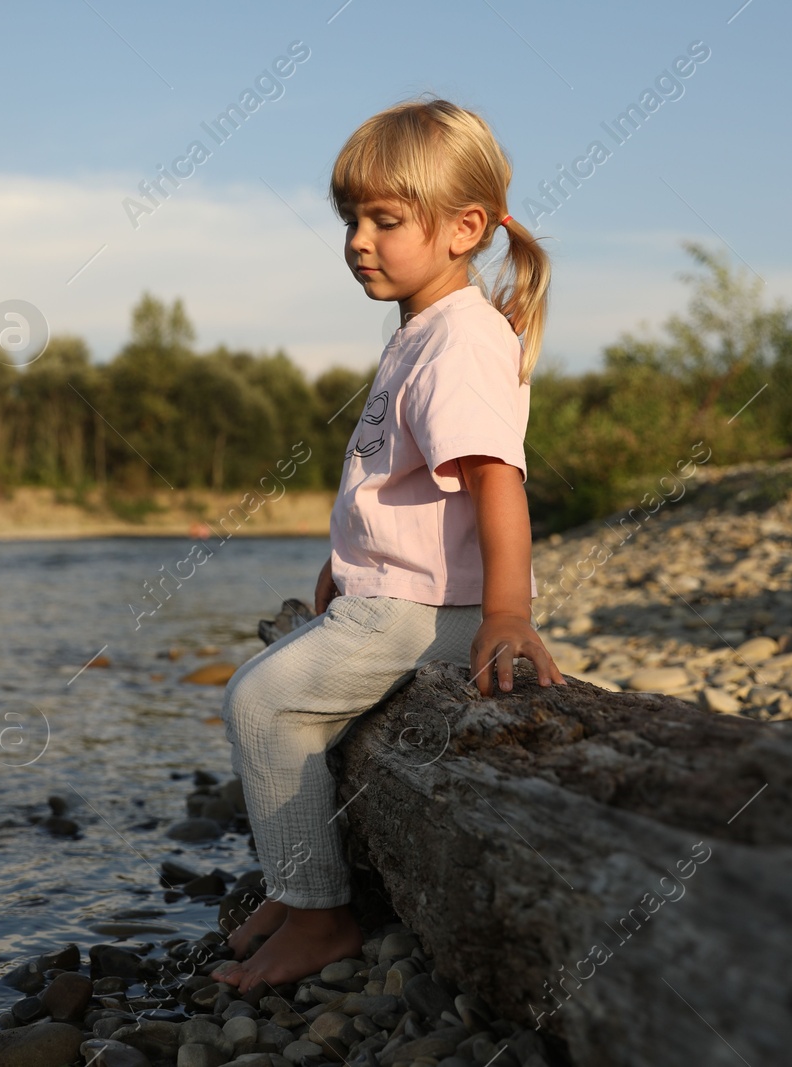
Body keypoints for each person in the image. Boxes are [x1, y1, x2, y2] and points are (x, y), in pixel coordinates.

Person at [213, 98, 566, 993]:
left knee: (261, 704)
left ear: (464, 229)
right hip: (393, 596)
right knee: (299, 692)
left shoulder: (459, 339)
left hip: (425, 612)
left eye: (384, 219)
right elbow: (401, 485)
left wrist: (509, 614)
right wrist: (343, 566)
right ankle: (300, 890)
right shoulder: (419, 330)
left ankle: (321, 917)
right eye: (350, 219)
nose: (358, 240)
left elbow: (497, 480)